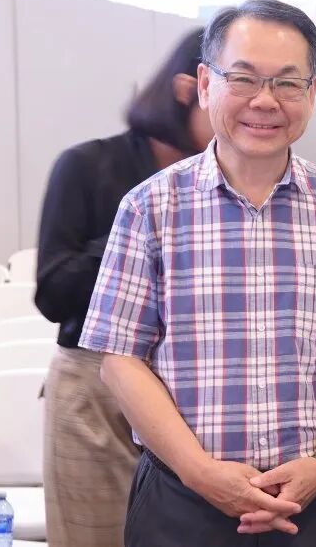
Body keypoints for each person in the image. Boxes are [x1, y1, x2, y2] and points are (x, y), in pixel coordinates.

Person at [79, 0, 316, 546]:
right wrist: (201, 472)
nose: (265, 100)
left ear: (312, 93)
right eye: (242, 78)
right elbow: (120, 359)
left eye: (288, 83)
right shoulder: (150, 207)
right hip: (182, 502)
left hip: (314, 503)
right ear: (204, 84)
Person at [35, 28, 213, 547]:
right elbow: (52, 292)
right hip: (96, 386)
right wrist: (136, 233)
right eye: (233, 90)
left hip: (193, 387)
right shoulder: (88, 165)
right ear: (190, 89)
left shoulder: (224, 183)